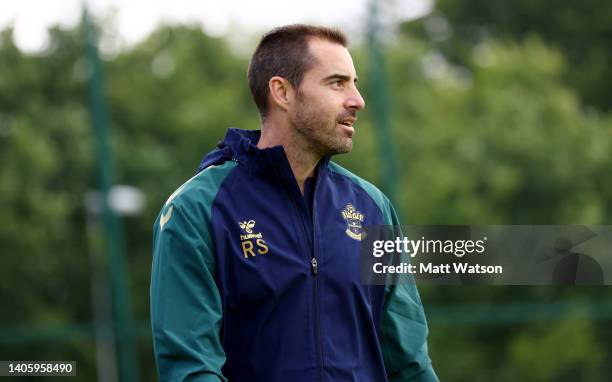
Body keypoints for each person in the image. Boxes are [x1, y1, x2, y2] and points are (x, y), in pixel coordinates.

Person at [150, 24, 438, 382]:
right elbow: (191, 368)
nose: (356, 100)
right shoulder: (197, 210)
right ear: (282, 92)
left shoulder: (373, 207)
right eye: (337, 83)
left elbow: (410, 363)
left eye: (355, 83)